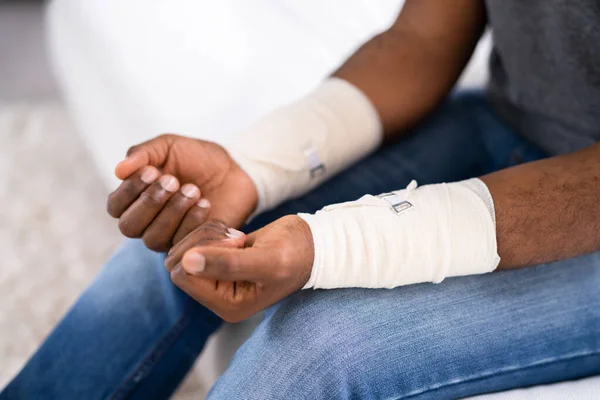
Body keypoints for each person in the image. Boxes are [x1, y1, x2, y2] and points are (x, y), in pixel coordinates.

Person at [3, 0, 600, 398]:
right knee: (192, 235)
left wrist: (333, 246)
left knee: (324, 345)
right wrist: (251, 169)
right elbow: (426, 35)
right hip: (503, 119)